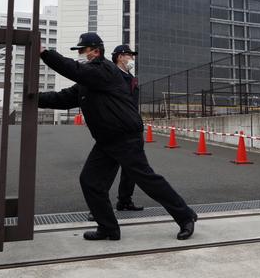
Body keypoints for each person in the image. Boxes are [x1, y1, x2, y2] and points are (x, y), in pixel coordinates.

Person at [37, 32, 198, 240]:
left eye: (83, 51)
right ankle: (108, 228)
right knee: (90, 181)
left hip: (125, 137)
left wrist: (44, 53)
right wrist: (33, 97)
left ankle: (186, 216)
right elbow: (63, 98)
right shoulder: (88, 79)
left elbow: (73, 69)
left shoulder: (103, 69)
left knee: (147, 180)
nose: (82, 55)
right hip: (106, 140)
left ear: (96, 51)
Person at [86, 44, 143, 222]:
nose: (132, 58)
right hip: (115, 130)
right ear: (120, 56)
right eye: (129, 55)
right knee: (108, 170)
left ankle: (125, 201)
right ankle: (98, 208)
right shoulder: (112, 75)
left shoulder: (131, 78)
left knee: (131, 169)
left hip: (132, 128)